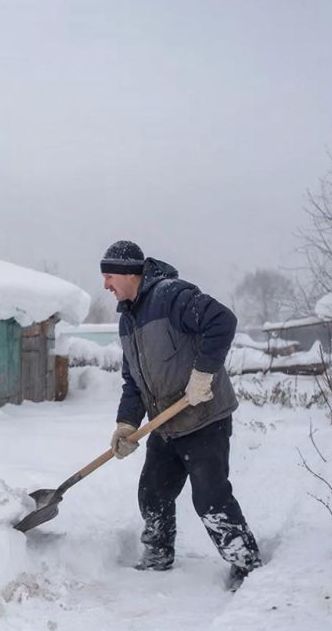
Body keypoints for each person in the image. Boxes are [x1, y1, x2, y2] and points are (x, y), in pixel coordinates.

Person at [101, 240, 261, 587]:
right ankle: (157, 554)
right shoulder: (127, 321)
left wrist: (203, 374)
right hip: (166, 424)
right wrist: (126, 424)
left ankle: (245, 562)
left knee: (210, 498)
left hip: (204, 417)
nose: (106, 285)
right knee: (152, 493)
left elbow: (222, 320)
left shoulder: (171, 296)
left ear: (128, 273)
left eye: (109, 276)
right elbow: (133, 381)